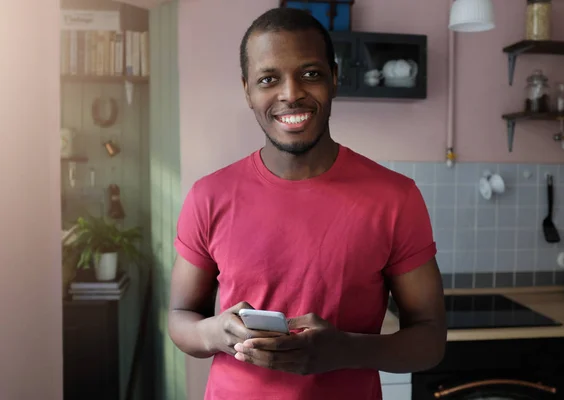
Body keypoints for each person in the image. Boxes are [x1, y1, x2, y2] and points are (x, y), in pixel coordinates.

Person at [168, 7, 446, 400]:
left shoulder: (396, 198)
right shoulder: (208, 196)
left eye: (310, 74)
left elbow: (430, 340)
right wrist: (216, 332)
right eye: (269, 79)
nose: (291, 93)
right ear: (247, 90)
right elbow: (180, 319)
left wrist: (344, 350)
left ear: (334, 78)